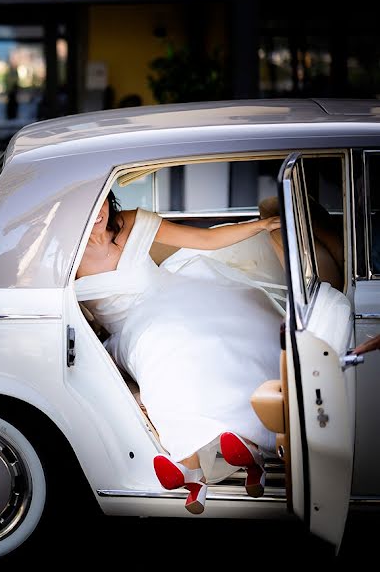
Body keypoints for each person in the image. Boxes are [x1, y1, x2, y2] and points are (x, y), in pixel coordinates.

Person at [74, 191, 283, 514]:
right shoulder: (65, 259)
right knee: (168, 349)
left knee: (225, 330)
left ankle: (236, 449)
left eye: (100, 200)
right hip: (131, 330)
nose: (97, 211)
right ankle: (194, 458)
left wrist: (260, 225)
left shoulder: (130, 222)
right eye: (84, 207)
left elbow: (205, 239)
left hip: (177, 295)